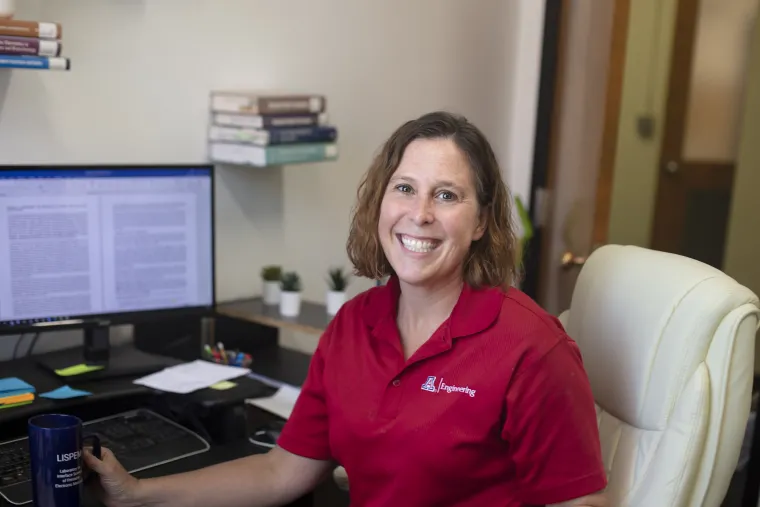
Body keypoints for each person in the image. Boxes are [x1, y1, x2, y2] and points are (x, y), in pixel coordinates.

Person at [84, 111, 609, 507]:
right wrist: (136, 492)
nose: (420, 214)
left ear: (480, 223)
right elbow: (281, 473)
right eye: (404, 189)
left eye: (447, 195)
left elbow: (580, 502)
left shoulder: (531, 348)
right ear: (381, 203)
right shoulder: (355, 325)